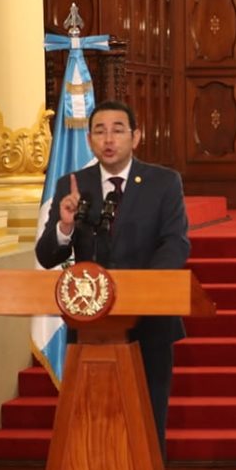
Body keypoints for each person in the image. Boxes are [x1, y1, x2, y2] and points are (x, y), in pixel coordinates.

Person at [36, 99, 191, 451]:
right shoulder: (72, 186)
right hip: (91, 324)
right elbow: (47, 255)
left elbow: (175, 243)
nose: (109, 139)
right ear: (90, 140)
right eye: (100, 131)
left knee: (149, 416)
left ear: (135, 137)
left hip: (150, 320)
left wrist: (142, 289)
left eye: (118, 130)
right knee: (95, 420)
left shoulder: (163, 182)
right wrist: (64, 224)